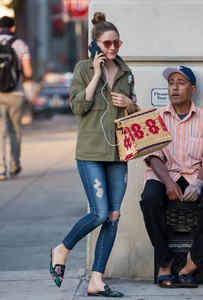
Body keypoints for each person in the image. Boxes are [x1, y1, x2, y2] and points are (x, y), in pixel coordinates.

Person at [50, 12, 140, 297]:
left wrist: (129, 104)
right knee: (99, 212)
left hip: (118, 153)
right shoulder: (82, 69)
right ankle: (62, 249)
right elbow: (78, 107)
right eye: (106, 43)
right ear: (95, 45)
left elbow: (133, 115)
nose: (112, 48)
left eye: (116, 43)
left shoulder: (126, 73)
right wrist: (97, 75)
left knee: (113, 216)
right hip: (90, 152)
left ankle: (96, 280)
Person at [140, 65, 203, 288]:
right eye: (171, 83)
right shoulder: (156, 117)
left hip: (194, 174)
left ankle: (192, 263)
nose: (174, 88)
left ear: (192, 89)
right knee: (148, 200)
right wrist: (167, 182)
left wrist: (198, 182)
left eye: (181, 83)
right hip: (164, 174)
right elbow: (154, 156)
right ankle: (164, 264)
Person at [0, 16, 33, 180]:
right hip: (16, 93)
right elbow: (28, 73)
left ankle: (0, 167)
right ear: (12, 28)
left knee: (0, 131)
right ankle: (14, 164)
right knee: (15, 131)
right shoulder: (20, 45)